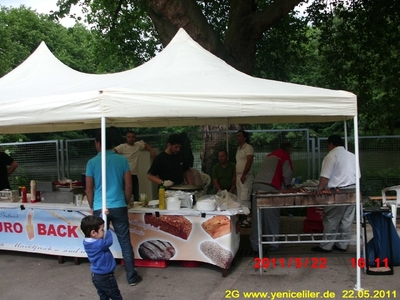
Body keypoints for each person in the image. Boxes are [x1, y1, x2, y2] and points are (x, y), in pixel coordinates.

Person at [86, 128, 142, 286]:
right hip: (119, 205)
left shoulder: (91, 162)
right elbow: (129, 186)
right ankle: (131, 277)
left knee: (98, 243)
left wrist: (93, 207)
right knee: (125, 242)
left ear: (97, 144)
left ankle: (101, 276)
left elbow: (89, 189)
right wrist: (124, 202)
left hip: (99, 206)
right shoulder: (122, 160)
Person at [311, 134, 360, 253]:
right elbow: (358, 175)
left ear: (331, 144)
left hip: (337, 192)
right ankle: (342, 244)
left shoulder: (331, 155)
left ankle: (326, 246)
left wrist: (319, 189)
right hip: (353, 190)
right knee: (347, 220)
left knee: (331, 219)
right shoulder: (352, 156)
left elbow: (325, 177)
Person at [249, 142, 293, 252]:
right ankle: (274, 243)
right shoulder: (285, 156)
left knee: (257, 217)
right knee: (272, 216)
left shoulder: (269, 155)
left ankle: (255, 244)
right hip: (269, 187)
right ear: (288, 150)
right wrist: (289, 187)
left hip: (256, 185)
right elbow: (287, 175)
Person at [81, 215, 123, 300]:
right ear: (93, 233)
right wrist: (107, 230)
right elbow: (109, 241)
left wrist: (103, 215)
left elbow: (98, 228)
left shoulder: (86, 242)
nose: (103, 231)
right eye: (102, 230)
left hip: (96, 276)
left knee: (103, 296)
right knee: (116, 296)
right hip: (106, 277)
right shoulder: (99, 244)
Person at [114, 130, 156, 202]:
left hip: (134, 174)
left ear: (135, 138)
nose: (131, 139)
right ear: (126, 138)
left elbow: (145, 145)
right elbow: (113, 151)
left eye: (132, 137)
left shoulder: (138, 145)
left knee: (135, 195)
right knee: (125, 194)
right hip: (124, 174)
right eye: (129, 137)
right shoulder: (122, 146)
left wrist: (152, 151)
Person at [235, 130, 254, 227]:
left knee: (245, 197)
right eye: (237, 136)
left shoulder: (248, 148)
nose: (237, 137)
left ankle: (249, 218)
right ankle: (239, 217)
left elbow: (249, 162)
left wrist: (244, 174)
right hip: (239, 175)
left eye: (239, 136)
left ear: (244, 138)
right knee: (239, 198)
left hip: (245, 176)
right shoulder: (239, 149)